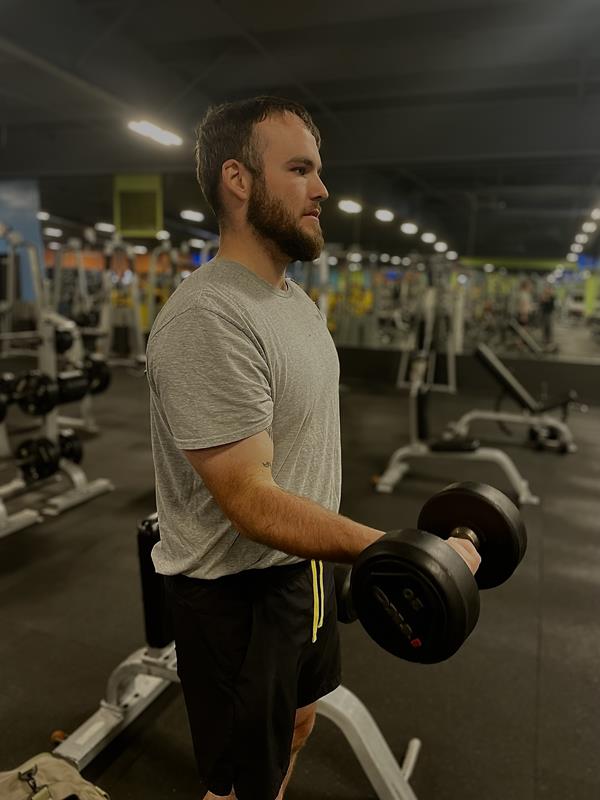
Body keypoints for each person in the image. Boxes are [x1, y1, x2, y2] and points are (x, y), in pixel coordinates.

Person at [145, 96, 481, 800]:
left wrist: (351, 561)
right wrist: (402, 552)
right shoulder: (208, 317)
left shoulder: (293, 301)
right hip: (236, 597)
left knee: (299, 720)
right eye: (300, 170)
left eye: (318, 171)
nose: (322, 189)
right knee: (242, 784)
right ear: (238, 180)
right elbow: (250, 502)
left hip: (304, 570)